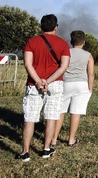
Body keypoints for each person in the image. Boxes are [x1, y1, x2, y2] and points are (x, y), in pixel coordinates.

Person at [17, 14, 70, 162]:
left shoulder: (31, 42)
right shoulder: (63, 44)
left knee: (29, 119)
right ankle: (46, 149)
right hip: (55, 84)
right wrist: (48, 81)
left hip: (34, 85)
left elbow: (28, 64)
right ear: (56, 27)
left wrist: (39, 81)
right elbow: (63, 66)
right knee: (51, 118)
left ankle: (25, 152)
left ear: (41, 27)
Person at [52, 30, 94, 147]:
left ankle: (54, 139)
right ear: (84, 42)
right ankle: (71, 140)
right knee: (76, 113)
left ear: (71, 41)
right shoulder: (88, 55)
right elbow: (91, 74)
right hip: (81, 85)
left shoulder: (65, 52)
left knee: (60, 111)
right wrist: (90, 87)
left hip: (65, 84)